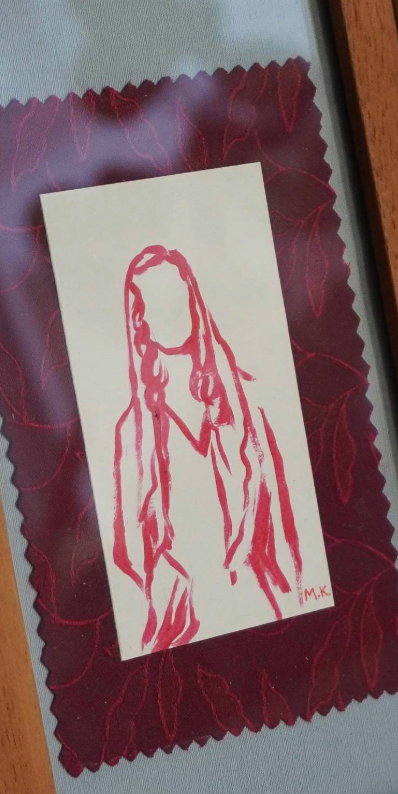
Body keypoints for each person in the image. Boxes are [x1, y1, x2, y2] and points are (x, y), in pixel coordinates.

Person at [111, 245, 304, 654]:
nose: (172, 309)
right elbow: (128, 553)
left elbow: (288, 523)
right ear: (140, 321)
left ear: (192, 296)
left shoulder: (247, 402)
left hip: (266, 608)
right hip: (185, 631)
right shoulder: (133, 433)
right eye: (157, 300)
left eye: (177, 294)